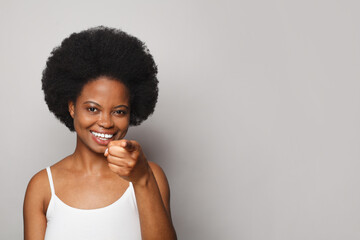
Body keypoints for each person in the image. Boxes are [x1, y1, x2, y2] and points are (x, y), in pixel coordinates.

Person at [23, 26, 177, 240]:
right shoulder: (41, 187)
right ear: (72, 107)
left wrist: (142, 180)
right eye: (93, 109)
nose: (106, 122)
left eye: (119, 111)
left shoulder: (151, 177)